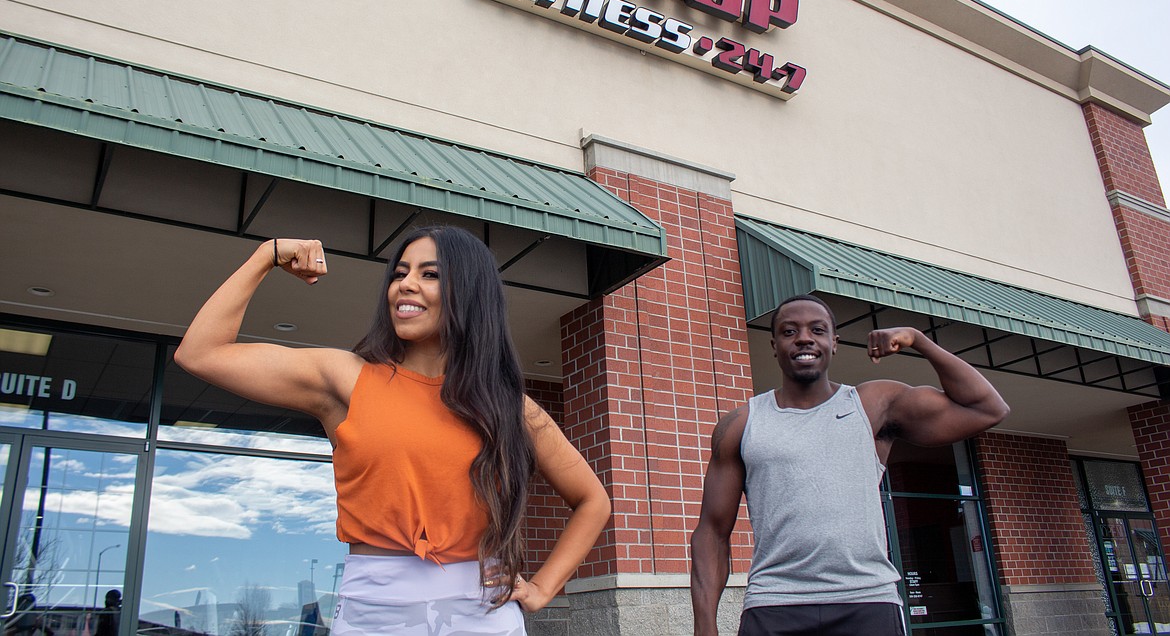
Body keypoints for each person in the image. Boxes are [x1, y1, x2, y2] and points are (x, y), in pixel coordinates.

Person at [174, 226, 611, 636]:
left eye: (430, 274)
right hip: (374, 608)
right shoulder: (347, 379)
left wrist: (541, 589)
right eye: (400, 273)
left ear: (470, 293)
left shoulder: (508, 406)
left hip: (482, 611)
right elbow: (201, 354)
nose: (405, 284)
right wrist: (265, 255)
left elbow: (593, 500)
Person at [690, 294, 1010, 636]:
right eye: (789, 331)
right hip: (775, 604)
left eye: (817, 329)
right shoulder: (741, 424)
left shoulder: (873, 406)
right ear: (774, 345)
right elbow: (712, 532)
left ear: (834, 343)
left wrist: (919, 340)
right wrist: (705, 625)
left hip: (867, 601)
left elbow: (987, 408)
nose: (804, 338)